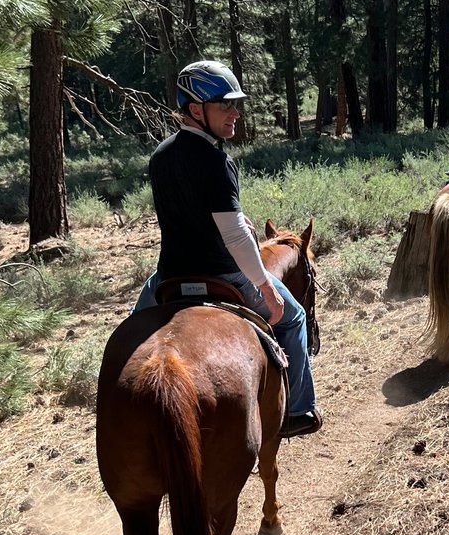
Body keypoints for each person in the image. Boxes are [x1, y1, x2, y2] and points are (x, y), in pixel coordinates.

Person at [134, 59, 322, 438]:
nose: (236, 113)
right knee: (295, 317)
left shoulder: (160, 157)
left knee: (131, 334)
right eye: (226, 105)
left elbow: (186, 217)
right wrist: (266, 287)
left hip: (169, 276)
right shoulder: (216, 160)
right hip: (222, 274)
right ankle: (299, 411)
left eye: (236, 104)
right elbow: (234, 236)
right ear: (195, 109)